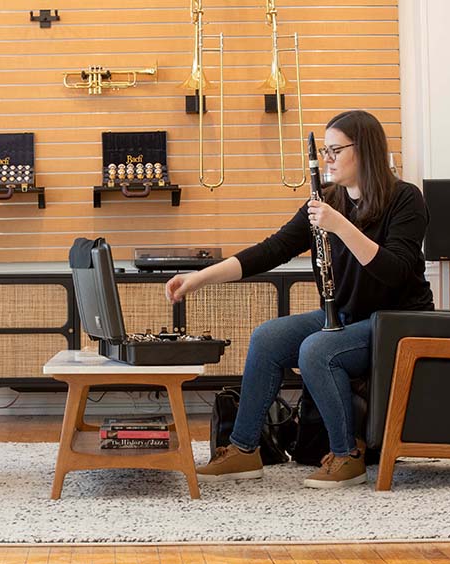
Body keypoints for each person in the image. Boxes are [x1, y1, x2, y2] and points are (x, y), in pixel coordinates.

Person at [165, 110, 434, 488]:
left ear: (366, 150)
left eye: (335, 150)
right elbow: (272, 249)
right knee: (268, 337)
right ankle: (243, 450)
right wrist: (200, 278)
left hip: (396, 322)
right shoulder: (326, 199)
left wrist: (340, 225)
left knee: (317, 349)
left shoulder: (405, 199)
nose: (327, 158)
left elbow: (395, 269)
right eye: (324, 150)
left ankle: (346, 456)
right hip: (348, 315)